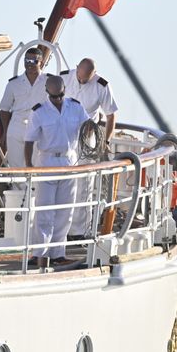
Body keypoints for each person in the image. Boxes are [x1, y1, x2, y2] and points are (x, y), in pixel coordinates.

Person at [25, 75, 89, 268]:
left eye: (61, 95)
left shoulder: (76, 107)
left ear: (64, 91)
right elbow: (29, 140)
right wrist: (28, 165)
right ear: (47, 92)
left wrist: (93, 132)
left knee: (65, 210)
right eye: (54, 96)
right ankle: (40, 253)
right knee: (45, 210)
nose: (58, 99)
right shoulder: (39, 112)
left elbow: (87, 126)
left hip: (69, 160)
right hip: (47, 161)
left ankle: (58, 253)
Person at [59, 58, 119, 238]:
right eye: (80, 77)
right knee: (64, 181)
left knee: (84, 184)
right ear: (76, 68)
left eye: (86, 79)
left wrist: (106, 142)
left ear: (93, 75)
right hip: (64, 135)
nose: (82, 81)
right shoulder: (64, 77)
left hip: (87, 137)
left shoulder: (101, 85)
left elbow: (111, 115)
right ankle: (62, 229)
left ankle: (80, 231)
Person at [0, 48, 48, 168]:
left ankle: (32, 187)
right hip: (17, 126)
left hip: (39, 126)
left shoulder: (48, 81)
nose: (29, 64)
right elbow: (4, 109)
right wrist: (5, 131)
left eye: (33, 61)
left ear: (41, 62)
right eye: (27, 60)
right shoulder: (13, 84)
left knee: (35, 163)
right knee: (15, 164)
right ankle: (17, 187)